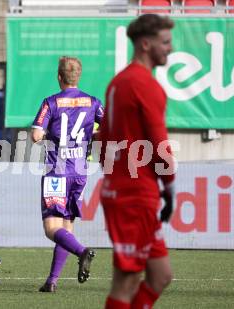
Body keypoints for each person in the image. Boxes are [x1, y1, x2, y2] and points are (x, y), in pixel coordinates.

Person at [99, 14, 176, 309]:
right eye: (165, 42)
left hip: (125, 189)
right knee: (126, 280)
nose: (169, 48)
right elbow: (160, 143)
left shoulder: (118, 82)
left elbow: (104, 138)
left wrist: (112, 179)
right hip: (134, 194)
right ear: (146, 44)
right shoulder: (145, 85)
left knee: (160, 275)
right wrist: (169, 185)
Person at [31, 56, 103, 292]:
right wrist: (91, 136)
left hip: (56, 172)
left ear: (59, 77)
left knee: (51, 228)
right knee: (66, 227)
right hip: (79, 172)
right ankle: (51, 281)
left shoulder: (51, 102)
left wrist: (45, 135)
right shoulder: (93, 102)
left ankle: (82, 252)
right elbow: (108, 125)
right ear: (78, 76)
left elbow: (35, 135)